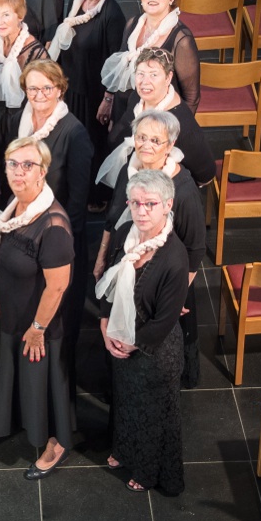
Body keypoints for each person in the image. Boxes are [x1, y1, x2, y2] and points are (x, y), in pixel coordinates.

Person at [0, 138, 74, 481]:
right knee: (25, 383)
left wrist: (37, 328)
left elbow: (57, 286)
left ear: (43, 171)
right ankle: (30, 424)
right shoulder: (16, 206)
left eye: (27, 165)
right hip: (14, 315)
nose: (18, 171)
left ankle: (53, 444)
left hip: (38, 326)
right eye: (12, 164)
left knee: (41, 385)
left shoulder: (53, 225)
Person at [94, 110, 206, 387]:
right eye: (141, 137)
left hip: (165, 278)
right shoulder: (130, 168)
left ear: (170, 146)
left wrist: (178, 294)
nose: (146, 145)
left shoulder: (184, 189)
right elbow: (112, 218)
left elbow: (195, 249)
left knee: (153, 358)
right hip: (128, 258)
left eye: (156, 140)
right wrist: (100, 260)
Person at [97, 169, 189, 496]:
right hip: (122, 340)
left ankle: (148, 472)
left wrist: (132, 345)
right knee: (125, 402)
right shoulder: (125, 234)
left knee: (152, 414)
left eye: (150, 204)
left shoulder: (175, 258)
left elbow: (164, 321)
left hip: (155, 351)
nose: (143, 211)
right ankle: (123, 451)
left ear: (168, 205)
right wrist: (105, 323)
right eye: (136, 203)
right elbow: (109, 284)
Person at [8, 60, 93, 404]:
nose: (39, 95)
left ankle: (59, 399)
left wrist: (54, 243)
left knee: (59, 324)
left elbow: (77, 203)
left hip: (58, 239)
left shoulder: (75, 133)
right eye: (32, 88)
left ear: (60, 89)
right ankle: (30, 393)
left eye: (47, 88)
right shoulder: (24, 120)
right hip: (27, 233)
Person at [48, 0, 126, 212]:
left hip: (94, 94)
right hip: (72, 87)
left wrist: (107, 100)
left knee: (92, 143)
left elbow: (115, 65)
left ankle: (96, 195)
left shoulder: (112, 15)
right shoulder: (75, 0)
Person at [101, 0, 200, 125]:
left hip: (157, 119)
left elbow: (192, 97)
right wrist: (108, 100)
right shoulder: (133, 24)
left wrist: (175, 133)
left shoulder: (182, 40)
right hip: (124, 111)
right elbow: (119, 70)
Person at [103, 48, 215, 188]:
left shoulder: (181, 124)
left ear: (168, 78)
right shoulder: (137, 98)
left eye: (153, 75)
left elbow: (206, 175)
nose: (145, 82)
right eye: (140, 74)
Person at [0, 0, 48, 199]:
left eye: (6, 15)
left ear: (20, 16)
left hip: (22, 118)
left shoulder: (37, 52)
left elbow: (47, 94)